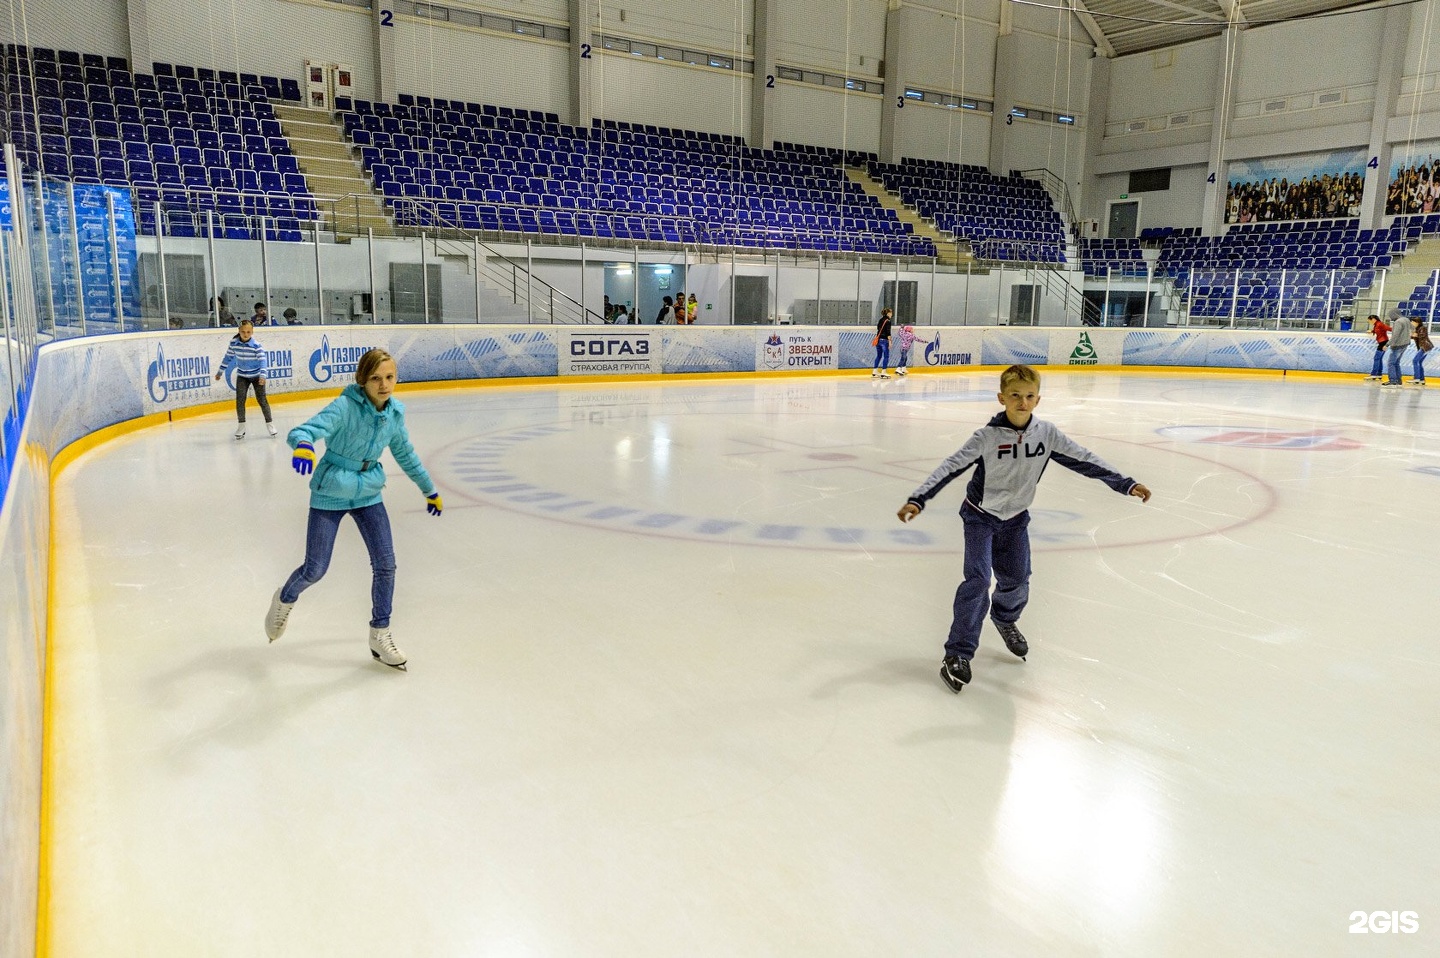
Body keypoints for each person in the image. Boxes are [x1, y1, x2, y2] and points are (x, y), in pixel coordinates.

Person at [897, 364, 1152, 693]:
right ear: (1001, 398)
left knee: (1017, 580)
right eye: (1015, 395)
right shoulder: (987, 437)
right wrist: (918, 499)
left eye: (1029, 396)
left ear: (1038, 400)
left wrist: (1125, 483)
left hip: (1016, 519)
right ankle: (957, 653)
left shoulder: (1046, 434)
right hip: (980, 517)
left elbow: (1084, 458)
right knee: (978, 581)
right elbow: (951, 466)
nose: (1022, 402)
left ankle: (1005, 618)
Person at [264, 348, 442, 670]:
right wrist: (303, 445)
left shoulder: (394, 415)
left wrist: (428, 489)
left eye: (389, 377)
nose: (384, 385)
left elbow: (405, 454)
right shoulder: (345, 407)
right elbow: (304, 431)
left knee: (386, 565)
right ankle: (285, 598)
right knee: (315, 569)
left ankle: (380, 633)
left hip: (368, 492)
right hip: (331, 491)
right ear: (363, 380)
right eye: (375, 378)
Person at [213, 319, 276, 439]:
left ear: (252, 332)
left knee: (262, 400)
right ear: (239, 331)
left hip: (257, 376)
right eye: (243, 332)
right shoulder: (234, 343)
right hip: (242, 376)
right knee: (240, 401)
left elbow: (263, 361)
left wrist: (263, 375)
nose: (245, 334)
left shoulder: (256, 345)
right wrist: (220, 372)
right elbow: (227, 357)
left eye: (248, 332)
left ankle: (270, 424)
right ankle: (241, 427)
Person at [1383, 308, 1412, 388]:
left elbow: (1395, 335)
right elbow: (1412, 329)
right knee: (1396, 363)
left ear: (1394, 314)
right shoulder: (1406, 319)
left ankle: (1393, 381)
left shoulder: (1398, 322)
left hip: (1398, 345)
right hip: (1405, 344)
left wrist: (1387, 344)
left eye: (1391, 315)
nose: (1390, 317)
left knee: (1391, 363)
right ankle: (1398, 380)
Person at [1366, 313, 1389, 380]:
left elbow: (1388, 328)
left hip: (1383, 342)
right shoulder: (1376, 325)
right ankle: (1379, 374)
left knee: (1376, 358)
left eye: (1369, 321)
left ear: (1373, 319)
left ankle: (1374, 374)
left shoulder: (1380, 324)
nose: (1369, 322)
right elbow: (1377, 330)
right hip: (1382, 342)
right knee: (1379, 358)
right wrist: (1372, 331)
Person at [1411, 315, 1433, 386]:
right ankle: (1421, 379)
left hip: (1425, 347)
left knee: (1415, 360)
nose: (1411, 323)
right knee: (1419, 362)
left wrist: (1415, 335)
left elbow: (1422, 335)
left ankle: (1416, 378)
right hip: (1424, 347)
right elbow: (1413, 336)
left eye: (1413, 322)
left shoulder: (1422, 328)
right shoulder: (1417, 329)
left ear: (1417, 322)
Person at [872, 307, 894, 378]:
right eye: (891, 313)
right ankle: (883, 372)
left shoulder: (880, 320)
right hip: (884, 340)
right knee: (886, 356)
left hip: (878, 340)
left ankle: (875, 371)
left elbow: (878, 329)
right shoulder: (888, 321)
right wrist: (890, 341)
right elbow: (888, 332)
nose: (892, 314)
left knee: (879, 356)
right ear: (888, 313)